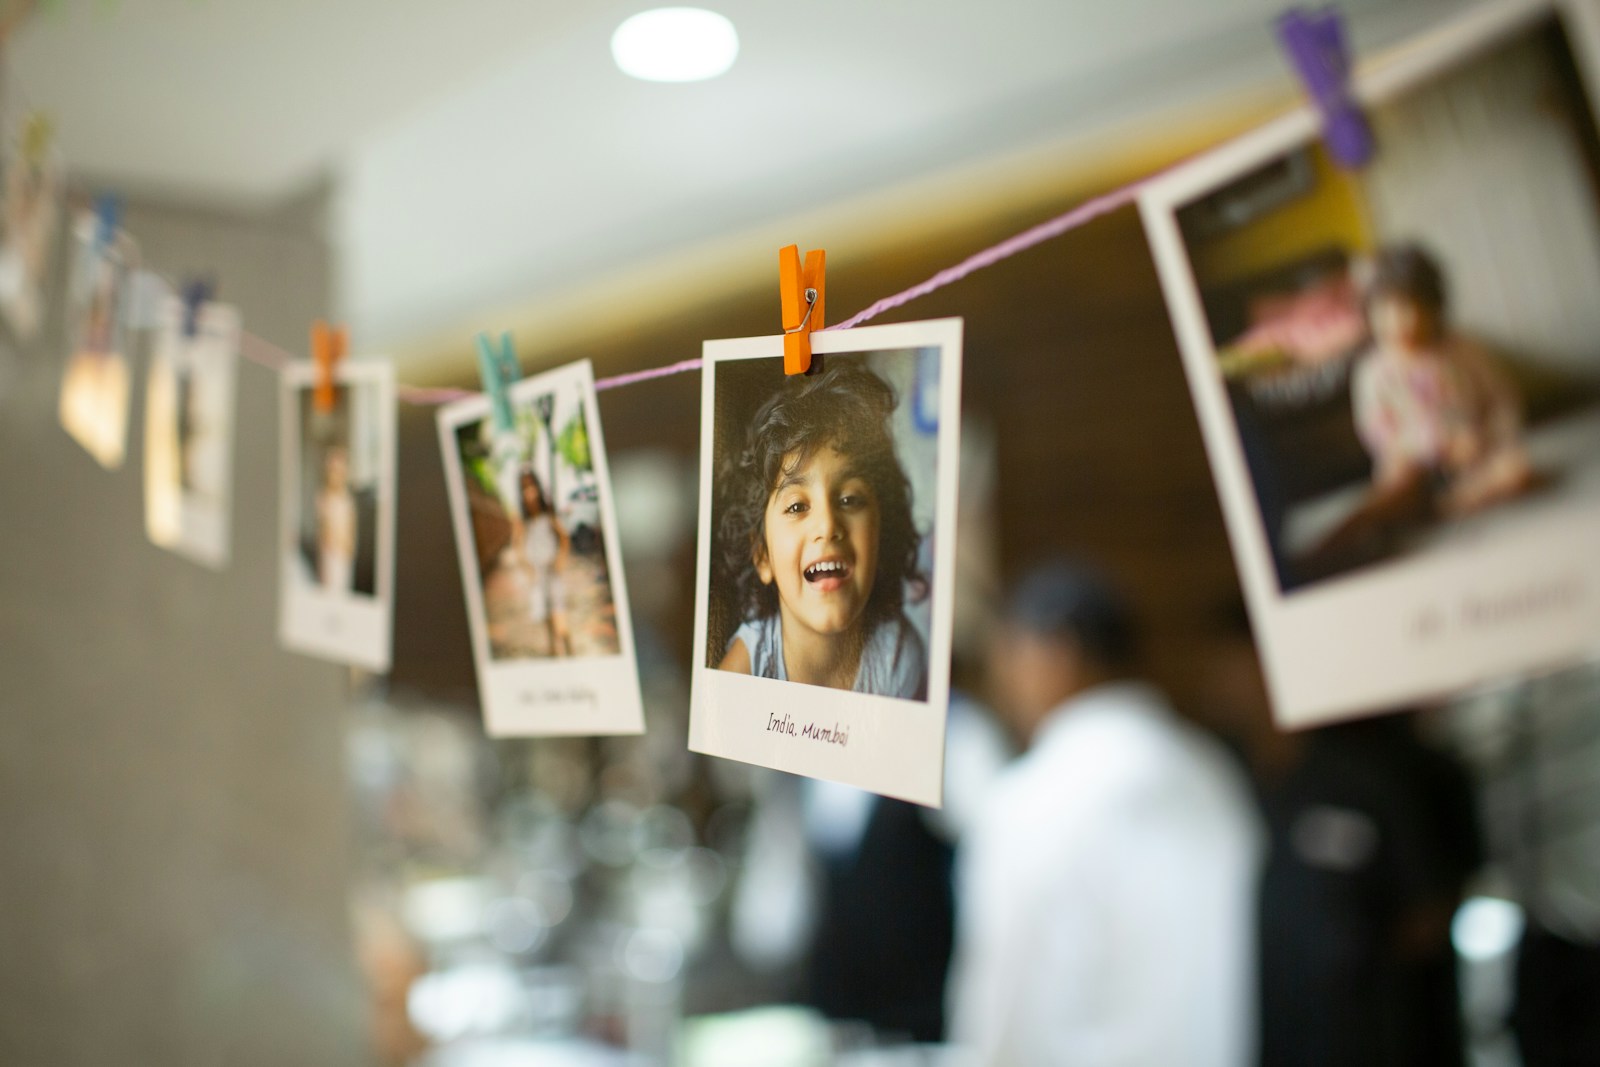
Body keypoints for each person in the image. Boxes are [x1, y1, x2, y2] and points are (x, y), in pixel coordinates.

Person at [946, 562, 1261, 1067]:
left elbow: (999, 1004)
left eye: (1010, 654)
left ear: (1057, 652)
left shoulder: (1031, 799)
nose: (1003, 681)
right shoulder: (1210, 772)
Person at [714, 360, 926, 698]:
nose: (827, 526)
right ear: (762, 555)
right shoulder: (745, 672)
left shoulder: (898, 657)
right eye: (797, 507)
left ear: (881, 535)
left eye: (850, 499)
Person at [1352, 243, 1533, 518]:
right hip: (1413, 461)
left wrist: (1486, 437)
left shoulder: (1463, 351)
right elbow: (1376, 429)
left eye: (1410, 309)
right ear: (1369, 314)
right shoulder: (1372, 371)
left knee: (1515, 470)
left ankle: (1458, 502)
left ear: (1434, 309)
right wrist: (1416, 447)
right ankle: (1410, 506)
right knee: (1394, 483)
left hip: (1471, 454)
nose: (1398, 322)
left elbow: (1502, 400)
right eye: (1384, 311)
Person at [512, 467, 572, 656]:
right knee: (545, 618)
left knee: (560, 621)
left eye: (531, 487)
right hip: (538, 577)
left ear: (538, 488)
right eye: (524, 489)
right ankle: (553, 652)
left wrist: (560, 559)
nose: (529, 493)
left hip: (552, 573)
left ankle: (570, 651)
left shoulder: (549, 514)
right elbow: (518, 546)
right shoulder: (523, 521)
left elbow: (564, 538)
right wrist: (527, 568)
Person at [316, 443, 356, 592]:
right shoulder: (325, 498)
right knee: (330, 585)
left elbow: (350, 525)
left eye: (340, 472)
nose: (337, 476)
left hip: (344, 552)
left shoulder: (347, 500)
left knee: (343, 585)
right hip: (331, 552)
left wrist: (348, 545)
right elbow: (324, 529)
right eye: (334, 472)